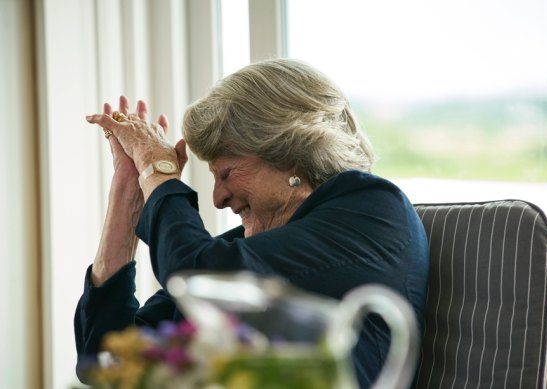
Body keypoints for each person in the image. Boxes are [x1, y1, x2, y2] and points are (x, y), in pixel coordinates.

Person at [76, 58, 430, 388]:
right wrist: (128, 194)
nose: (217, 198)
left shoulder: (371, 209)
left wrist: (159, 171)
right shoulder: (256, 246)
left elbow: (192, 273)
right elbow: (107, 362)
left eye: (226, 173)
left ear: (289, 154)